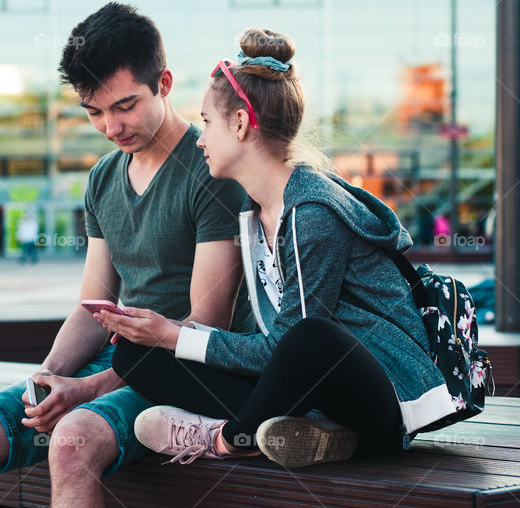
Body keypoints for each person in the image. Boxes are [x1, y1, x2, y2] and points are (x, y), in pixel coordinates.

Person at [0, 2, 251, 508]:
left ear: (164, 84)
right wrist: (47, 380)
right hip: (121, 359)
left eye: (125, 105)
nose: (111, 126)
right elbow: (92, 305)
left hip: (187, 368)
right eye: (95, 112)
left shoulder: (209, 169)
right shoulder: (103, 178)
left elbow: (205, 323)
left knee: (72, 441)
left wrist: (88, 391)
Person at [98, 28, 457, 469]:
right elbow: (275, 350)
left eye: (207, 122)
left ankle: (226, 437)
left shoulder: (310, 212)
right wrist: (161, 335)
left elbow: (296, 344)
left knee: (310, 335)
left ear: (241, 124)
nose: (200, 139)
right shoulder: (253, 212)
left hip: (388, 400)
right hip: (308, 385)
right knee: (137, 355)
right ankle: (306, 430)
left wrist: (176, 333)